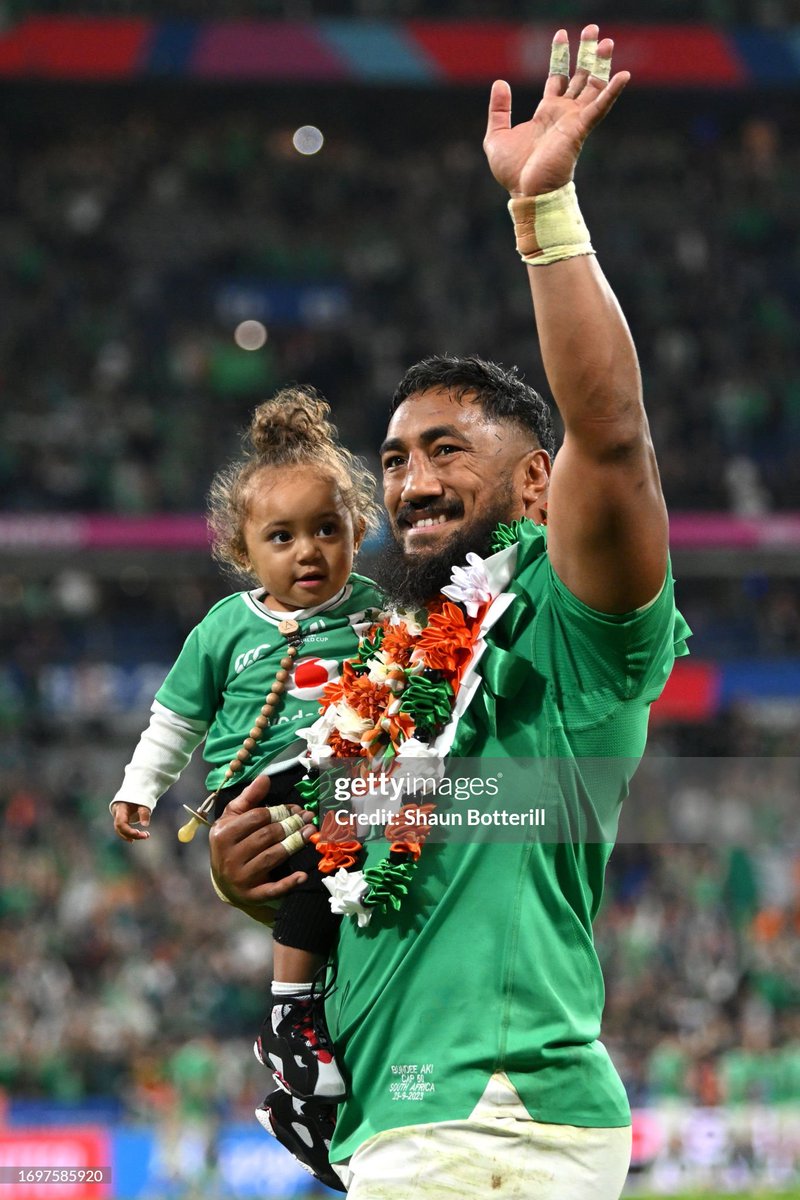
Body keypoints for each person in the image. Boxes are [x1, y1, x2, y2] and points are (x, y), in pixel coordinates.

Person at [208, 24, 690, 1200]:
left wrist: (543, 213)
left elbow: (610, 437)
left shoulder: (565, 626)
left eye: (444, 450)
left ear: (533, 485)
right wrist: (248, 873)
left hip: (493, 1118)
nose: (410, 482)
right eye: (392, 459)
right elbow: (347, 877)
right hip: (415, 1121)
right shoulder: (390, 673)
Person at [109, 388, 383, 1121]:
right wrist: (139, 787)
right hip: (256, 795)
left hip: (345, 787)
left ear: (358, 529)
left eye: (327, 529)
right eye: (282, 537)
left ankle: (310, 1084)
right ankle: (289, 1014)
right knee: (328, 877)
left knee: (349, 888)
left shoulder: (377, 612)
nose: (308, 551)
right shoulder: (224, 628)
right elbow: (175, 720)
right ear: (243, 551)